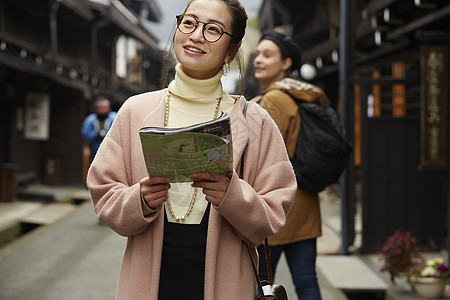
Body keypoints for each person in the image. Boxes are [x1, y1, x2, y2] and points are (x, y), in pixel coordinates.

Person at [86, 1, 297, 299]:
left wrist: (232, 196)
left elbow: (274, 213)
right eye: (189, 23)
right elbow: (102, 190)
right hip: (150, 278)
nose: (196, 35)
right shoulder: (135, 110)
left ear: (231, 51)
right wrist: (140, 199)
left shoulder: (255, 121)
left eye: (213, 29)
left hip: (227, 281)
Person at [252, 30, 330, 300]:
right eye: (258, 53)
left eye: (267, 54)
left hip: (277, 206)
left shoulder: (273, 100)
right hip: (306, 203)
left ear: (286, 63)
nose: (258, 60)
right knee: (307, 283)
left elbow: (257, 156)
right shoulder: (305, 94)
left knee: (260, 286)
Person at [81, 96, 116, 161]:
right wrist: (96, 136)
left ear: (109, 108)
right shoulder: (90, 119)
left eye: (104, 107)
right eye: (99, 108)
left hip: (112, 149)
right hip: (95, 149)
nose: (102, 110)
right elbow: (85, 133)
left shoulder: (114, 117)